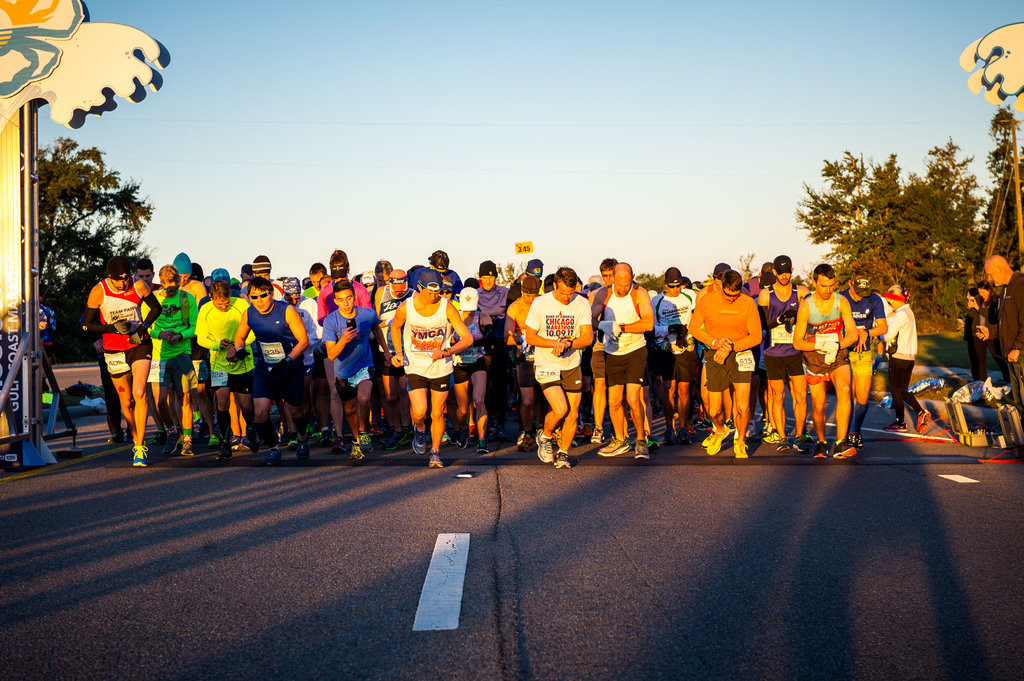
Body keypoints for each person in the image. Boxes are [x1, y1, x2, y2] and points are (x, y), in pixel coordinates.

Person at [80, 256, 161, 466]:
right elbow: (86, 325)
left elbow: (156, 309)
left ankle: (139, 447)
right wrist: (111, 328)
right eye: (118, 280)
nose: (122, 284)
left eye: (125, 279)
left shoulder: (139, 285)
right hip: (113, 349)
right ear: (110, 277)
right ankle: (135, 436)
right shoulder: (99, 291)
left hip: (139, 344)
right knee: (126, 401)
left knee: (139, 392)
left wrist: (143, 327)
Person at [389, 269, 473, 468]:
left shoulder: (447, 307)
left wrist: (448, 351)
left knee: (437, 412)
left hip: (440, 367)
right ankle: (419, 428)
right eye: (430, 291)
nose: (435, 295)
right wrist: (398, 352)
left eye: (438, 291)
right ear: (419, 288)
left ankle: (435, 452)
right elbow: (395, 326)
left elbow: (467, 338)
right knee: (420, 411)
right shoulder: (407, 307)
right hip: (415, 365)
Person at [229, 276, 311, 466]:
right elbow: (240, 337)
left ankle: (302, 436)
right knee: (260, 412)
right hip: (265, 370)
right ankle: (274, 449)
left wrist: (288, 359)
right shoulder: (249, 313)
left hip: (290, 368)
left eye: (263, 295)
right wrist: (239, 349)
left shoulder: (287, 311)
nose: (259, 301)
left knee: (297, 412)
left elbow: (304, 341)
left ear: (272, 294)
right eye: (254, 297)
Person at [689, 269, 763, 458]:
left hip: (740, 353)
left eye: (735, 295)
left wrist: (731, 347)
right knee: (714, 410)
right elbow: (693, 327)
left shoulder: (747, 302)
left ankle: (740, 441)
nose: (731, 299)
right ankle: (720, 430)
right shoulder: (707, 300)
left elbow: (756, 336)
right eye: (728, 295)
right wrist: (715, 343)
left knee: (743, 406)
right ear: (721, 286)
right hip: (714, 354)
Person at [524, 267, 593, 469]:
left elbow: (587, 337)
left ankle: (563, 453)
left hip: (571, 364)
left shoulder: (582, 303)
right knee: (561, 408)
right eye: (562, 293)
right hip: (546, 363)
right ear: (554, 285)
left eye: (570, 294)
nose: (566, 298)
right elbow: (530, 337)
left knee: (573, 413)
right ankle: (545, 436)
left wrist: (568, 344)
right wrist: (554, 343)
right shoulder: (540, 303)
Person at [791, 263, 859, 458]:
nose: (828, 290)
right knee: (819, 404)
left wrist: (836, 345)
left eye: (831, 286)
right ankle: (821, 442)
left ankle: (840, 443)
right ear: (814, 283)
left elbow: (853, 334)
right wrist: (819, 345)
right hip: (814, 358)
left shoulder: (841, 301)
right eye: (823, 286)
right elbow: (797, 342)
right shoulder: (806, 307)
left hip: (837, 355)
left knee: (845, 389)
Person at [323, 279, 387, 460]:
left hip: (364, 364)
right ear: (335, 301)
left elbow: (377, 328)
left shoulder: (367, 314)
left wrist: (386, 351)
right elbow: (331, 354)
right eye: (341, 299)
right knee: (350, 409)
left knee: (364, 398)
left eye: (349, 298)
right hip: (343, 371)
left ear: (354, 297)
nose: (345, 303)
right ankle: (357, 439)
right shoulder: (331, 321)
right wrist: (343, 340)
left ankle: (363, 431)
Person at [595, 263, 655, 459]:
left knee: (632, 398)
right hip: (612, 352)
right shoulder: (603, 293)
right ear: (612, 277)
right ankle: (620, 440)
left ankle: (640, 440)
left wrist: (621, 327)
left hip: (635, 351)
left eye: (626, 284)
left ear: (633, 277)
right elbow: (589, 319)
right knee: (613, 401)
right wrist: (604, 325)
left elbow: (648, 323)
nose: (622, 288)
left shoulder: (640, 293)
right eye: (619, 284)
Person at [195, 279, 254, 461]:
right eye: (219, 304)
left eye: (226, 303)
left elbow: (252, 332)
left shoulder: (241, 304)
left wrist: (237, 346)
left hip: (242, 361)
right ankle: (225, 444)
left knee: (245, 404)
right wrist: (216, 344)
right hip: (219, 364)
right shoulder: (205, 309)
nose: (223, 307)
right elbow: (200, 338)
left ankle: (251, 433)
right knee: (222, 402)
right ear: (211, 297)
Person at [757, 254, 810, 452]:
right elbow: (762, 324)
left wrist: (800, 317)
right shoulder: (765, 295)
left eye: (787, 272)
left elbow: (812, 316)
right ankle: (781, 438)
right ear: (774, 272)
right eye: (780, 272)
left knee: (801, 395)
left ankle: (799, 435)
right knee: (777, 396)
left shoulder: (802, 292)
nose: (784, 276)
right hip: (773, 353)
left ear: (792, 271)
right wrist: (780, 320)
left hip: (796, 351)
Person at [149, 265, 200, 456]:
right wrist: (160, 334)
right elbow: (145, 327)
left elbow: (195, 327)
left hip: (182, 354)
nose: (171, 290)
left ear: (179, 282)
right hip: (159, 356)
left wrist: (179, 335)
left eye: (174, 286)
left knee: (184, 398)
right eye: (167, 287)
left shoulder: (187, 298)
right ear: (161, 283)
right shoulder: (153, 298)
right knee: (160, 400)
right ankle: (172, 431)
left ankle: (187, 439)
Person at [650, 267, 698, 445]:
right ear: (666, 285)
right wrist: (669, 329)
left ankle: (683, 428)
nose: (676, 289)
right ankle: (669, 427)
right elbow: (652, 328)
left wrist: (686, 332)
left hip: (686, 347)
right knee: (669, 388)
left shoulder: (690, 296)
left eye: (678, 286)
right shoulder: (657, 301)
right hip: (666, 348)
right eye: (672, 286)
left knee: (684, 389)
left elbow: (697, 319)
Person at [839, 275, 888, 451]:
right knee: (846, 393)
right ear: (850, 284)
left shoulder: (874, 299)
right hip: (844, 352)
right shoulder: (841, 298)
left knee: (862, 396)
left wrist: (866, 332)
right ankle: (844, 435)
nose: (861, 296)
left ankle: (856, 430)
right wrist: (851, 335)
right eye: (858, 291)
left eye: (864, 292)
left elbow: (883, 327)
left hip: (863, 352)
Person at [374, 268, 414, 449]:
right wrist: (388, 323)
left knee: (404, 391)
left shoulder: (413, 295)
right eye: (396, 290)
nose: (399, 293)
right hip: (386, 349)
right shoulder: (381, 293)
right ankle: (396, 429)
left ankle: (406, 428)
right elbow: (375, 321)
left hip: (406, 350)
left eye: (401, 290)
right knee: (390, 396)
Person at [980, 255, 1024, 414]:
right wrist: (990, 332)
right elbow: (1005, 323)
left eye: (990, 274)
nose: (989, 279)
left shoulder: (1020, 285)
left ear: (1000, 268)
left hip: (1020, 353)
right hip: (1011, 354)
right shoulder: (1005, 289)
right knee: (1018, 399)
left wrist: (1017, 347)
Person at [882, 285, 928, 432]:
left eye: (890, 301)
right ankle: (920, 412)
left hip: (898, 357)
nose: (889, 304)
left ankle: (900, 422)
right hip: (909, 357)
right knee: (902, 390)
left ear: (897, 300)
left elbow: (888, 335)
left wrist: (877, 333)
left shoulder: (901, 314)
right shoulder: (908, 312)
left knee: (895, 390)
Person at [451, 286, 490, 453]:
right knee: (462, 409)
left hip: (477, 361)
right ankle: (462, 429)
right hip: (459, 364)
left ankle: (482, 439)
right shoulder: (454, 317)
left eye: (471, 308)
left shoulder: (482, 316)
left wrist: (471, 342)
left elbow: (490, 337)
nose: (469, 312)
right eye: (466, 308)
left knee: (479, 401)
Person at [505, 275, 542, 451]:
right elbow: (507, 338)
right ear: (522, 292)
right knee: (527, 401)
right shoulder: (515, 308)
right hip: (525, 357)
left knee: (544, 398)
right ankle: (528, 432)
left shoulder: (544, 304)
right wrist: (522, 339)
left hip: (544, 356)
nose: (531, 299)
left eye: (534, 295)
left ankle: (545, 430)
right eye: (528, 295)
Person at [476, 260, 511, 442]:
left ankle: (500, 423)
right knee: (484, 386)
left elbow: (511, 316)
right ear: (480, 277)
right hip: (481, 342)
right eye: (484, 277)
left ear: (495, 277)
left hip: (500, 342)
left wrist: (495, 319)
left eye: (491, 277)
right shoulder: (475, 294)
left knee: (499, 384)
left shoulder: (504, 292)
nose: (488, 280)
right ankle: (486, 423)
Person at [588, 258, 618, 445]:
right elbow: (590, 320)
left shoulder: (632, 292)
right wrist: (603, 324)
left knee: (618, 389)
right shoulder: (598, 293)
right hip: (600, 344)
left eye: (611, 275)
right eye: (604, 275)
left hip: (623, 345)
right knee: (599, 384)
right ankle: (598, 427)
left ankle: (618, 427)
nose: (608, 279)